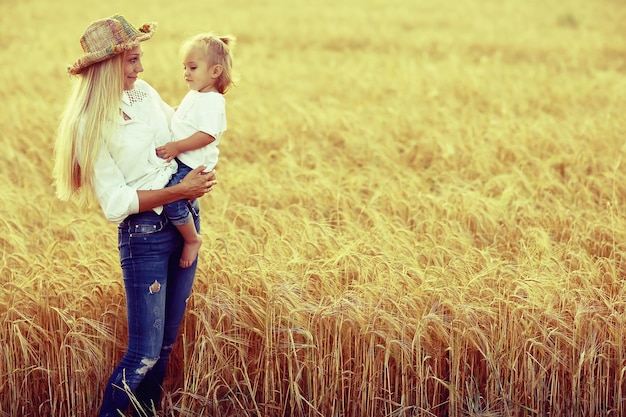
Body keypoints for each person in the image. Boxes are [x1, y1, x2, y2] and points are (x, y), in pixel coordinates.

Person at [53, 15, 217, 417]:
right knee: (143, 353)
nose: (140, 69)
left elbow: (181, 130)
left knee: (164, 348)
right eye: (132, 60)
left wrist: (211, 115)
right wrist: (180, 190)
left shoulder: (143, 92)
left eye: (139, 59)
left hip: (185, 218)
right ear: (109, 66)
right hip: (145, 235)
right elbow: (115, 203)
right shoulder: (88, 124)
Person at [156, 33, 237, 268]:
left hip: (192, 164)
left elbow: (208, 134)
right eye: (184, 67)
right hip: (184, 159)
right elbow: (184, 116)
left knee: (173, 198)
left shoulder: (212, 101)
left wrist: (177, 146)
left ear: (215, 71)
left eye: (192, 67)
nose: (186, 73)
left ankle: (192, 239)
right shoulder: (197, 94)